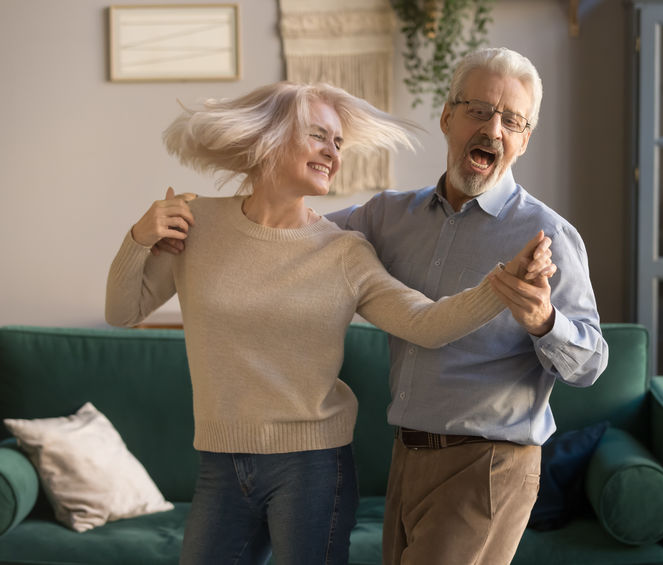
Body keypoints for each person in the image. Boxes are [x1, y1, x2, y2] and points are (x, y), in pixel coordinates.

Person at [105, 81, 555, 565]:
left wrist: (503, 286)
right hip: (220, 463)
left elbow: (425, 323)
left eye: (338, 143)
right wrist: (138, 236)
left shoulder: (342, 250)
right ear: (270, 135)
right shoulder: (197, 225)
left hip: (313, 467)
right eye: (319, 136)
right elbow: (122, 311)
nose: (333, 153)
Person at [325, 47, 610, 565]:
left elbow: (591, 364)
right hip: (406, 456)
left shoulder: (549, 236)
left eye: (512, 120)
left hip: (489, 464)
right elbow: (299, 239)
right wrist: (207, 219)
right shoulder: (389, 217)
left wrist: (544, 322)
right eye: (478, 110)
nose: (493, 129)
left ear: (523, 139)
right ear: (447, 117)